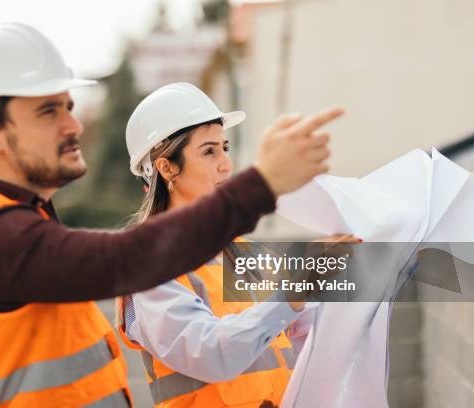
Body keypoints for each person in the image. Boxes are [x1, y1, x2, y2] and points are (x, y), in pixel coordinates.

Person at [0, 23, 344, 407]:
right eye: (48, 111)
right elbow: (125, 260)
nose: (73, 124)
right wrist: (263, 184)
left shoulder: (21, 223)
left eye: (69, 106)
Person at [116, 82, 358, 407]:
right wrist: (295, 291)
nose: (226, 164)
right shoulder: (148, 266)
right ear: (166, 167)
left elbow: (300, 322)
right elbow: (210, 353)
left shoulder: (241, 248)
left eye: (224, 147)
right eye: (208, 151)